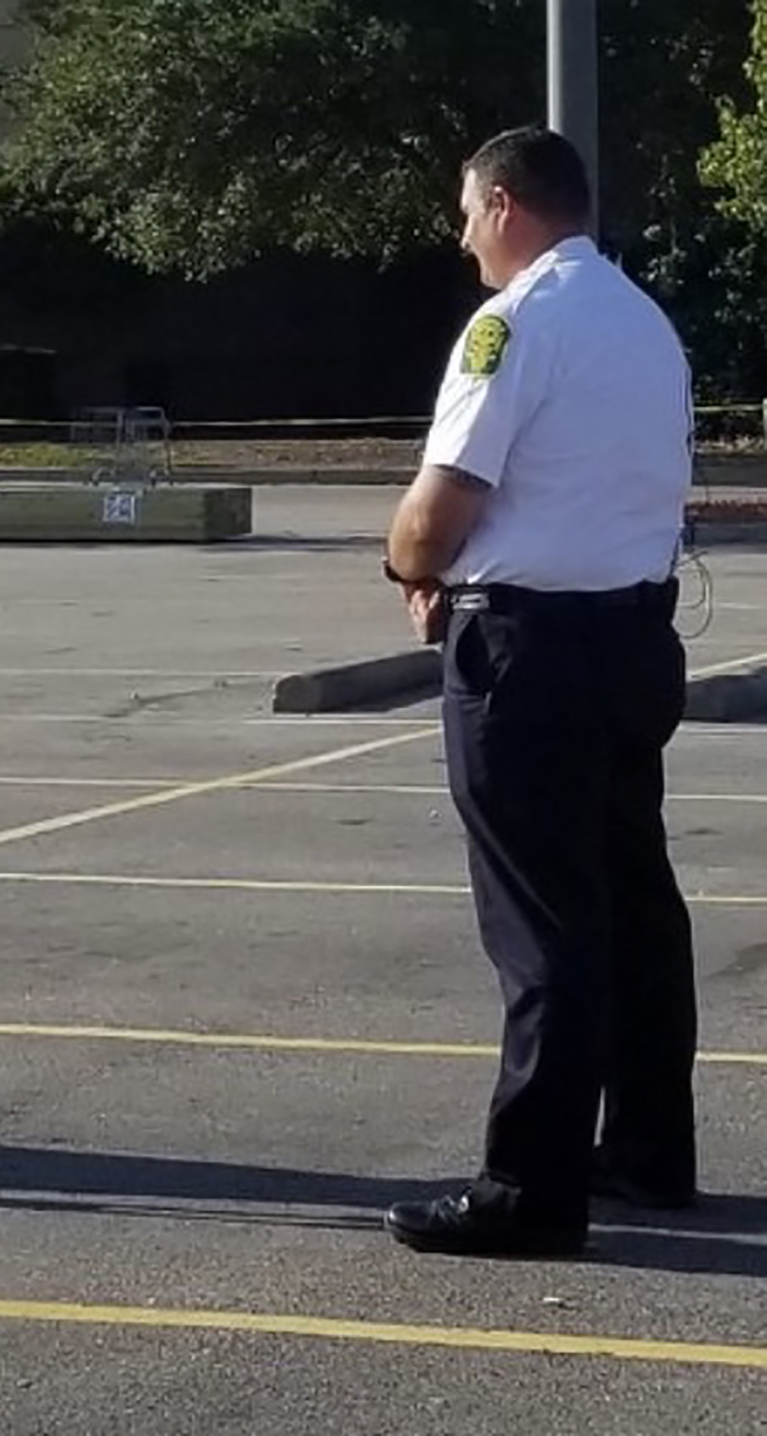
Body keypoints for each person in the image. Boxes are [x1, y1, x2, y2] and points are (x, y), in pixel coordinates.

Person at [381, 127, 698, 1257]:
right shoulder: (641, 321)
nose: (463, 235)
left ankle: (531, 1187)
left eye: (468, 212)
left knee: (545, 924)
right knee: (633, 906)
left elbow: (444, 496)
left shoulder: (512, 322)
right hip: (631, 640)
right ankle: (652, 1150)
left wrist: (406, 566)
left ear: (507, 202)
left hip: (528, 652)